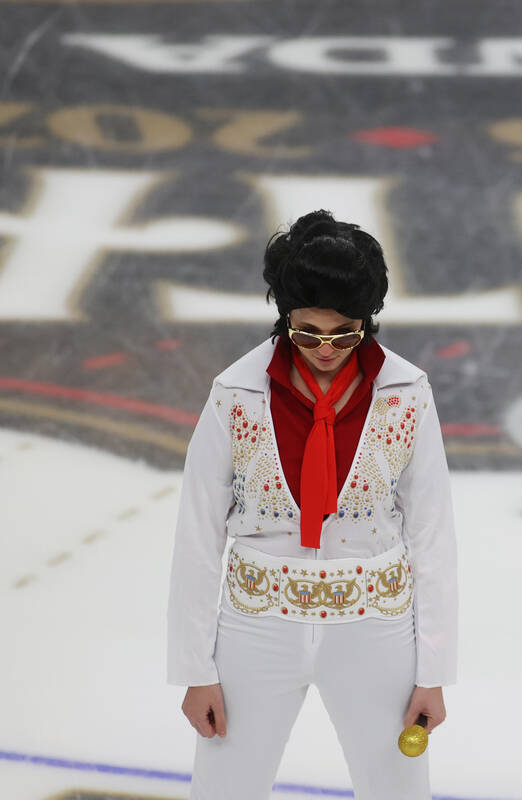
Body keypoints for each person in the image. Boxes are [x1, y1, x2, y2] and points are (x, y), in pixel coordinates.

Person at [167, 210, 457, 800]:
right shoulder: (236, 393)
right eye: (306, 333)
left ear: (368, 321)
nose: (326, 350)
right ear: (284, 317)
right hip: (256, 624)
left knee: (398, 790)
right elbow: (198, 534)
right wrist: (196, 670)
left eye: (345, 333)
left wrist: (433, 673)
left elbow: (433, 535)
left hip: (376, 624)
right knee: (224, 790)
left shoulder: (407, 394)